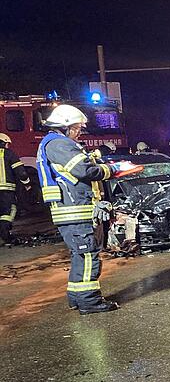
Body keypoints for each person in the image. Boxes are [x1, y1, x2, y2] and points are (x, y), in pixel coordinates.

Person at [36, 104, 118, 314]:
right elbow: (84, 170)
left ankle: (76, 298)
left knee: (79, 255)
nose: (79, 132)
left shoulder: (55, 143)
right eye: (77, 128)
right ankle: (90, 302)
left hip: (73, 211)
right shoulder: (59, 144)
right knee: (88, 255)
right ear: (66, 127)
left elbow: (81, 163)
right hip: (75, 211)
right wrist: (113, 169)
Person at [0, 133, 31, 245]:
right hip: (6, 190)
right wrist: (27, 183)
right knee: (8, 212)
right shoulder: (9, 154)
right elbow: (21, 173)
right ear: (5, 143)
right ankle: (5, 235)